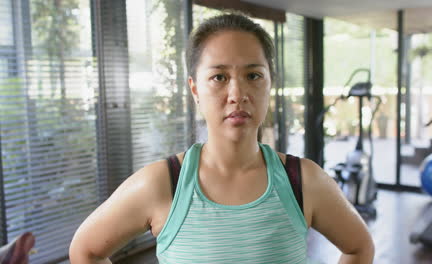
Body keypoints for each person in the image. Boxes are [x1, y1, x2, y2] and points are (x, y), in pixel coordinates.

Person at [69, 12, 374, 263]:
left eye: (253, 75)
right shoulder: (161, 184)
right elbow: (86, 251)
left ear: (270, 84)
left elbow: (359, 247)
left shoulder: (304, 181)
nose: (237, 94)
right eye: (219, 77)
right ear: (195, 89)